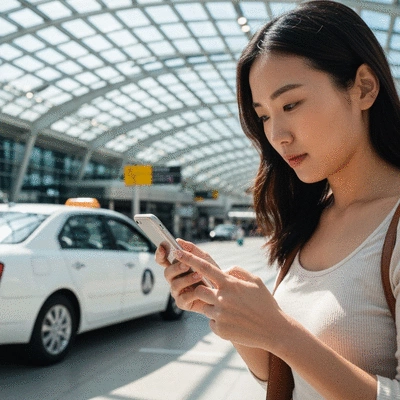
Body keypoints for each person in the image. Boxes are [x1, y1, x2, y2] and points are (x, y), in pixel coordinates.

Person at [156, 1, 400, 398]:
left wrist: (280, 332)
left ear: (364, 88)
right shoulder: (311, 221)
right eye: (264, 116)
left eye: (290, 105)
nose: (277, 135)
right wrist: (227, 310)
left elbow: (292, 345)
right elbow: (286, 379)